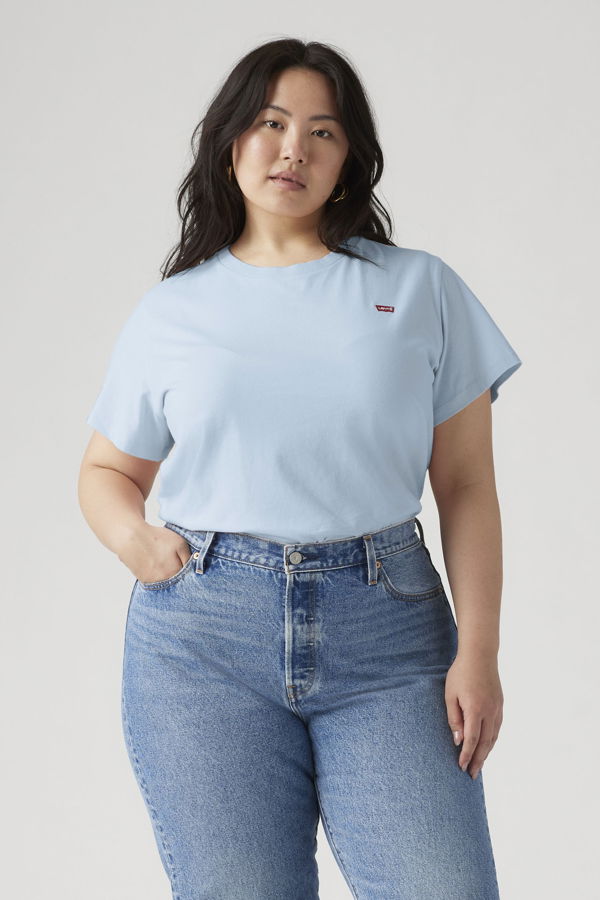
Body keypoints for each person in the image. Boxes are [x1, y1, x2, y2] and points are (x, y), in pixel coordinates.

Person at [78, 38, 522, 900]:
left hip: (390, 636)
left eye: (323, 132)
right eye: (272, 123)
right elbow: (105, 470)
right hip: (203, 642)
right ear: (231, 142)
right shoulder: (172, 311)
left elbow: (467, 486)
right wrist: (136, 541)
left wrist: (480, 652)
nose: (294, 150)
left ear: (349, 159)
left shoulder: (420, 289)